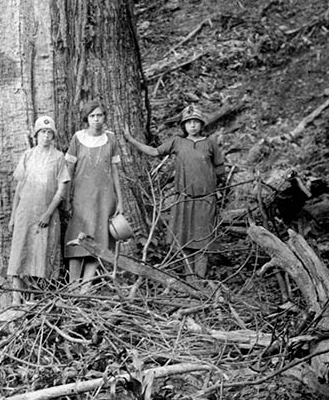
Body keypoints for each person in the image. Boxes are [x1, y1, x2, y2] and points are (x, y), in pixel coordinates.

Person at [124, 103, 225, 279]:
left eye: (196, 121)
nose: (192, 125)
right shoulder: (177, 142)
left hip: (205, 201)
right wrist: (132, 140)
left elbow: (219, 169)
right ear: (183, 125)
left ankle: (200, 280)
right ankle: (190, 279)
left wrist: (210, 186)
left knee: (203, 241)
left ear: (201, 124)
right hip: (184, 200)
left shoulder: (210, 143)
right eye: (188, 122)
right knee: (184, 240)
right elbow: (155, 152)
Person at [7, 115, 70, 303]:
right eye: (42, 132)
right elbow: (19, 188)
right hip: (25, 213)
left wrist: (48, 213)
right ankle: (16, 300)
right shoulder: (28, 155)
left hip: (47, 215)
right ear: (36, 134)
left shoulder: (59, 158)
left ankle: (39, 300)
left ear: (53, 136)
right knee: (19, 254)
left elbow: (62, 190)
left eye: (49, 132)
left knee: (43, 256)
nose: (46, 136)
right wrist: (13, 217)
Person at [63, 100, 124, 285]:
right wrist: (67, 198)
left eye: (100, 115)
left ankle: (86, 286)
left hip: (104, 199)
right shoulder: (78, 138)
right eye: (92, 116)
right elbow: (68, 170)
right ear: (86, 119)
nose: (96, 120)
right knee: (77, 239)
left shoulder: (111, 138)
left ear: (104, 117)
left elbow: (114, 171)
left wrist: (120, 200)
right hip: (81, 198)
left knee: (99, 240)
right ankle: (73, 285)